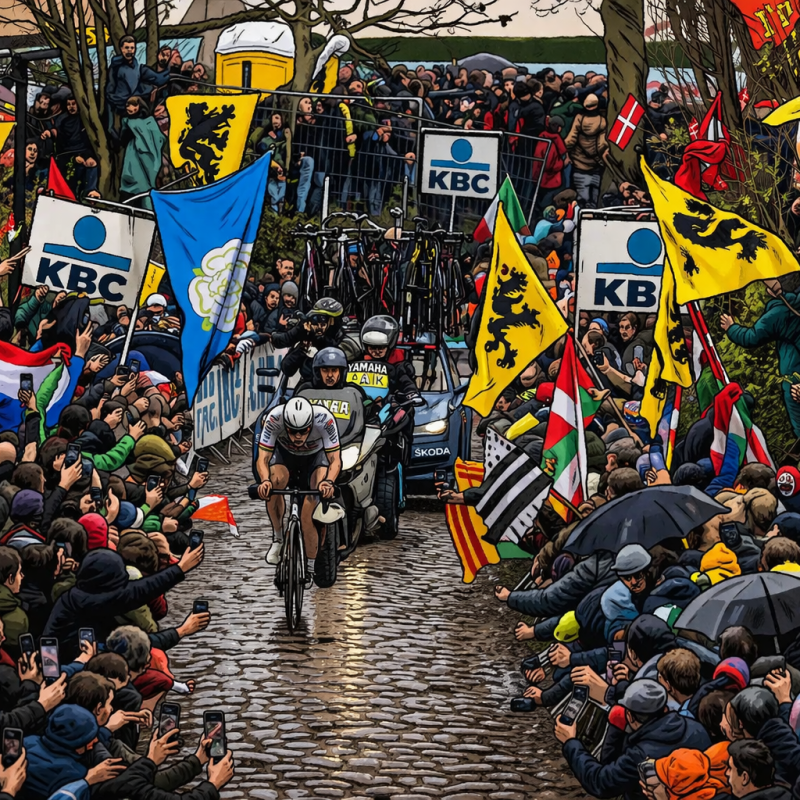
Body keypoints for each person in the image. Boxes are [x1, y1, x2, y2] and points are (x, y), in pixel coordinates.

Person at [255, 397, 341, 584]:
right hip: (285, 457)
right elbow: (262, 459)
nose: (298, 436)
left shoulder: (324, 420)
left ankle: (309, 566)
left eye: (304, 431)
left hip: (315, 459)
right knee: (275, 481)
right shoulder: (273, 419)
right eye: (293, 432)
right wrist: (264, 481)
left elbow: (335, 460)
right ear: (285, 425)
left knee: (308, 512)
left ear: (311, 425)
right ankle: (278, 538)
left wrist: (329, 482)